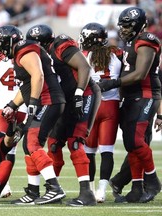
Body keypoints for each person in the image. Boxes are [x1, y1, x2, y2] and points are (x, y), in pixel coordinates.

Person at [26, 24, 101, 206]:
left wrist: (78, 94)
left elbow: (84, 67)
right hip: (66, 101)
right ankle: (52, 191)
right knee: (53, 145)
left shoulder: (60, 45)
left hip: (85, 95)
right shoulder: (40, 59)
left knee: (75, 142)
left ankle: (87, 193)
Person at [0, 25, 66, 205]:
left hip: (47, 100)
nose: (0, 50)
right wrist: (12, 104)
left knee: (32, 143)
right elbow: (27, 84)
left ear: (10, 41)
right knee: (28, 145)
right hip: (44, 100)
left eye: (1, 45)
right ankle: (33, 191)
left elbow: (38, 76)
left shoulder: (25, 49)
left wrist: (33, 103)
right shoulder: (20, 53)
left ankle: (54, 187)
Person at [98, 6, 161, 203]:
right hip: (131, 96)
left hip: (144, 95)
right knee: (131, 144)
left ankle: (152, 182)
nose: (123, 29)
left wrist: (113, 83)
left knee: (135, 142)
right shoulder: (132, 42)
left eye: (128, 26)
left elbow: (140, 74)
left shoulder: (146, 41)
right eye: (122, 26)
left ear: (140, 25)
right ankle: (135, 188)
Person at [78, 22, 122, 203]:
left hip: (91, 105)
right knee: (107, 151)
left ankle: (89, 189)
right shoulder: (118, 54)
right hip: (111, 105)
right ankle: (102, 191)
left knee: (89, 151)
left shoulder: (83, 56)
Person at [0, 58, 28, 198]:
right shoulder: (25, 58)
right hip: (22, 106)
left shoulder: (0, 61)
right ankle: (4, 184)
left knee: (1, 147)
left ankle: (3, 184)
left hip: (3, 106)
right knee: (11, 149)